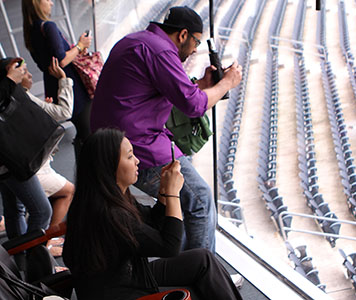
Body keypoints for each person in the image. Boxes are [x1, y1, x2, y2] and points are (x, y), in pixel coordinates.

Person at [90, 6, 242, 253]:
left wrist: (202, 85)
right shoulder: (161, 52)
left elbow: (164, 91)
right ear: (183, 35)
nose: (194, 49)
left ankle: (180, 268)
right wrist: (226, 83)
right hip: (134, 147)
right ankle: (204, 276)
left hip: (110, 142)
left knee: (182, 197)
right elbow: (195, 106)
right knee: (200, 200)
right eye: (196, 42)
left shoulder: (138, 41)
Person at [63, 128, 243, 300]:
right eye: (129, 156)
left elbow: (150, 221)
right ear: (109, 166)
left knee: (203, 259)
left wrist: (164, 192)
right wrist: (173, 193)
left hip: (130, 274)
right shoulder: (110, 214)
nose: (137, 161)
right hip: (124, 292)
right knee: (201, 290)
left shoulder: (103, 197)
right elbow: (169, 246)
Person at [22, 0, 93, 159]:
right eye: (47, 0)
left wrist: (75, 49)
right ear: (36, 3)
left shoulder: (31, 31)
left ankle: (85, 174)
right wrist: (80, 46)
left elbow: (49, 61)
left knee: (83, 131)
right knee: (88, 131)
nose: (52, 3)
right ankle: (90, 173)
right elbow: (61, 60)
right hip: (71, 86)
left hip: (54, 85)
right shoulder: (48, 26)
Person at [20, 56, 75, 256]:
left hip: (25, 163)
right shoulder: (23, 96)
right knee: (67, 191)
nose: (29, 75)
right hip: (34, 166)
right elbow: (65, 111)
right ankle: (45, 245)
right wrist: (64, 79)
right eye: (24, 71)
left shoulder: (15, 97)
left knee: (19, 210)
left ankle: (35, 247)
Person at [0, 57, 52, 240]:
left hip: (8, 153)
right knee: (42, 211)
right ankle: (34, 261)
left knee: (15, 209)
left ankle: (19, 262)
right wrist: (9, 80)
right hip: (10, 154)